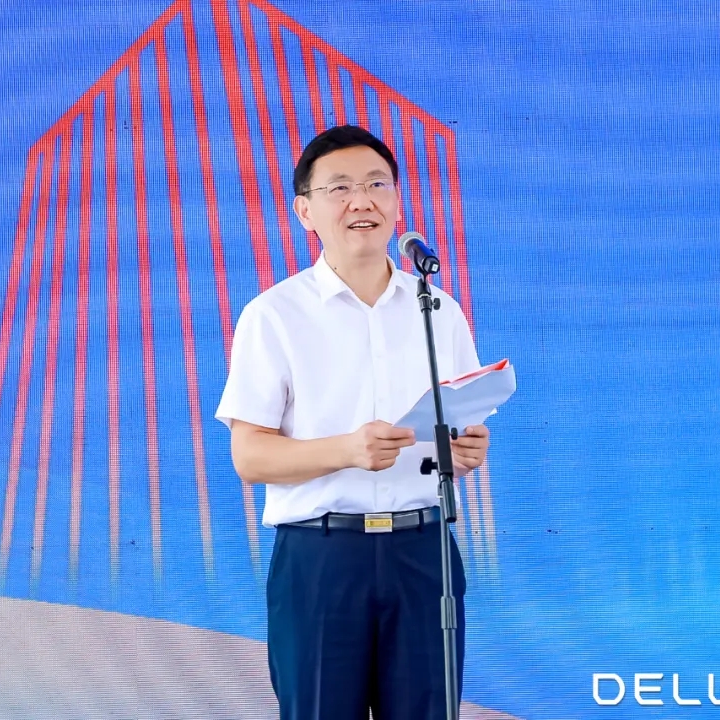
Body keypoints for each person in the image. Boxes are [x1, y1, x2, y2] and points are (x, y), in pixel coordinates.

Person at [215, 125, 490, 720]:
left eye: (376, 184)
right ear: (305, 211)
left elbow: (461, 423)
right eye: (339, 188)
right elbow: (250, 457)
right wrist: (347, 450)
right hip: (321, 557)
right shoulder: (273, 315)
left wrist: (468, 449)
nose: (361, 200)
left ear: (396, 201)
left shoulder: (439, 310)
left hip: (424, 553)